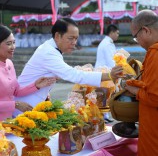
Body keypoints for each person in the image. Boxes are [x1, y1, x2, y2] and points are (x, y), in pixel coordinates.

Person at [14, 18, 123, 116]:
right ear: (57, 36)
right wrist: (108, 75)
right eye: (71, 38)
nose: (74, 43)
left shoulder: (52, 49)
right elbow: (72, 75)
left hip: (34, 101)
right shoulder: (48, 52)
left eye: (76, 39)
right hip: (25, 105)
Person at [0, 25, 56, 121]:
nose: (13, 47)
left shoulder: (9, 63)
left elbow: (16, 91)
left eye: (14, 42)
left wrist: (36, 85)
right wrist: (15, 104)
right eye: (8, 43)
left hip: (8, 123)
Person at [125, 9, 158, 156]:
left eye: (136, 37)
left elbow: (154, 97)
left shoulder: (156, 54)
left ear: (145, 30)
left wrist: (133, 90)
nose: (137, 42)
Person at [95, 24, 119, 123]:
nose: (118, 35)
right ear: (112, 32)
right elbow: (111, 61)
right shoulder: (107, 44)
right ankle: (103, 115)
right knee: (103, 95)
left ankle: (105, 115)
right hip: (104, 72)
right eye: (117, 33)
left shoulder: (107, 42)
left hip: (104, 72)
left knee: (104, 95)